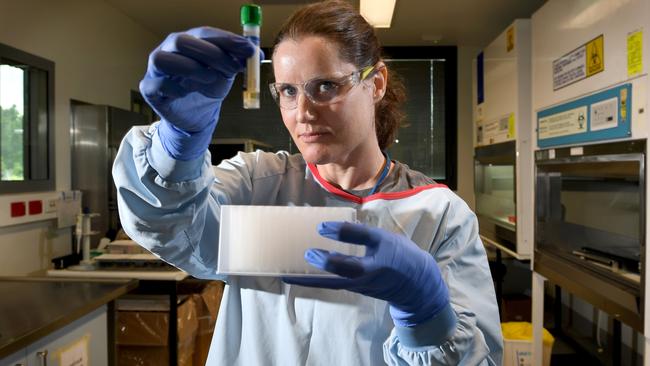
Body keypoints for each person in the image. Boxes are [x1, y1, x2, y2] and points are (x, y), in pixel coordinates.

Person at [113, 1, 503, 365]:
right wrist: (177, 145)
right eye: (288, 91)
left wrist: (426, 312)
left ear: (377, 82)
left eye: (325, 87)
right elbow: (171, 223)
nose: (302, 113)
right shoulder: (257, 184)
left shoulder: (438, 215)